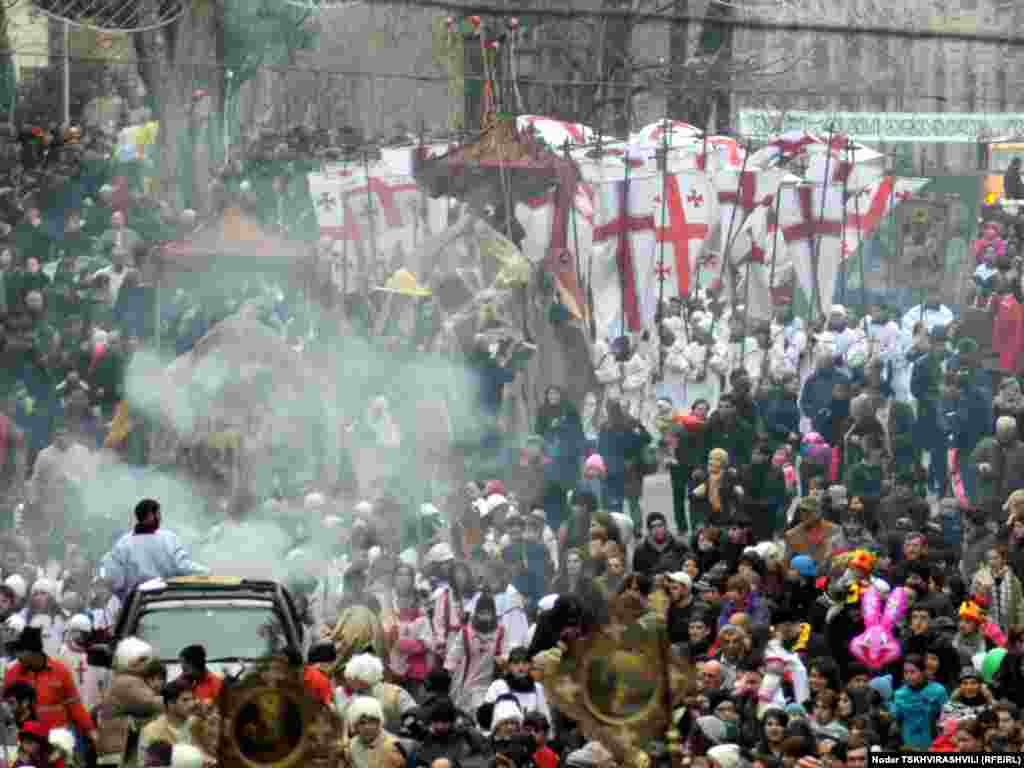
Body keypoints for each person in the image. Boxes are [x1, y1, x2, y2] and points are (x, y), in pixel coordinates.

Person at [99, 499, 208, 599]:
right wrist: (206, 572)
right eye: (158, 514)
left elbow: (113, 578)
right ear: (151, 515)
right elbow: (183, 567)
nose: (160, 518)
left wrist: (125, 595)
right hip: (166, 600)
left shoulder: (123, 543)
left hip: (136, 605)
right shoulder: (168, 539)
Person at [3, 628, 96, 744]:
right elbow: (4, 708)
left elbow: (75, 705)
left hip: (56, 740)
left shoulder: (60, 671)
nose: (18, 655)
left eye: (21, 651)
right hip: (26, 741)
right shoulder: (12, 674)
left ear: (34, 652)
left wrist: (91, 731)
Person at [140, 679, 198, 751]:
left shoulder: (197, 725)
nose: (192, 704)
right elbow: (145, 761)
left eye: (193, 699)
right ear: (170, 704)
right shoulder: (151, 732)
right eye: (185, 700)